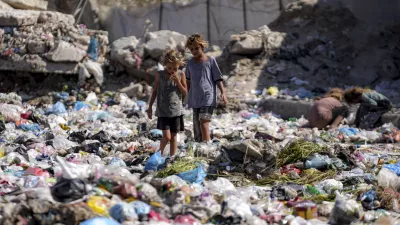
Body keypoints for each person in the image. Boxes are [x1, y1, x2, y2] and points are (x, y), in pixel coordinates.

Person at [185, 34, 228, 143]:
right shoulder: (189, 64)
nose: (194, 51)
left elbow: (218, 78)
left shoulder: (210, 60)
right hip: (195, 99)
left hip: (208, 97)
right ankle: (200, 148)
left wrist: (223, 92)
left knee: (204, 121)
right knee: (197, 126)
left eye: (196, 48)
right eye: (192, 49)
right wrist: (185, 95)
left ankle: (208, 146)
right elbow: (188, 81)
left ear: (202, 47)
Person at [147, 50, 187, 157]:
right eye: (169, 68)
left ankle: (171, 157)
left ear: (179, 66)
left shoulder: (181, 74)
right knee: (167, 137)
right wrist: (150, 107)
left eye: (175, 68)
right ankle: (159, 154)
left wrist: (178, 82)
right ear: (165, 64)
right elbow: (155, 91)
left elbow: (185, 93)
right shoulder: (159, 74)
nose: (172, 71)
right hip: (163, 111)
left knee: (174, 137)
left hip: (176, 111)